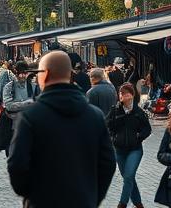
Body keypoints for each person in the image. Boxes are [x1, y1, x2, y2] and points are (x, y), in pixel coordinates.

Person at [8, 51, 114, 207]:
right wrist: (93, 197)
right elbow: (108, 163)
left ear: (46, 74)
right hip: (83, 201)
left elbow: (17, 164)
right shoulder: (95, 116)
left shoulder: (30, 117)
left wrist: (32, 194)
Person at [106, 82, 152, 208]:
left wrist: (139, 137)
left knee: (129, 175)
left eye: (125, 93)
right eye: (121, 93)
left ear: (132, 95)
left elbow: (147, 129)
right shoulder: (115, 110)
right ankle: (138, 204)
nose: (122, 95)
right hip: (119, 150)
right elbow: (107, 126)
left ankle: (122, 203)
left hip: (135, 150)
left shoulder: (138, 112)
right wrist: (112, 138)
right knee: (128, 179)